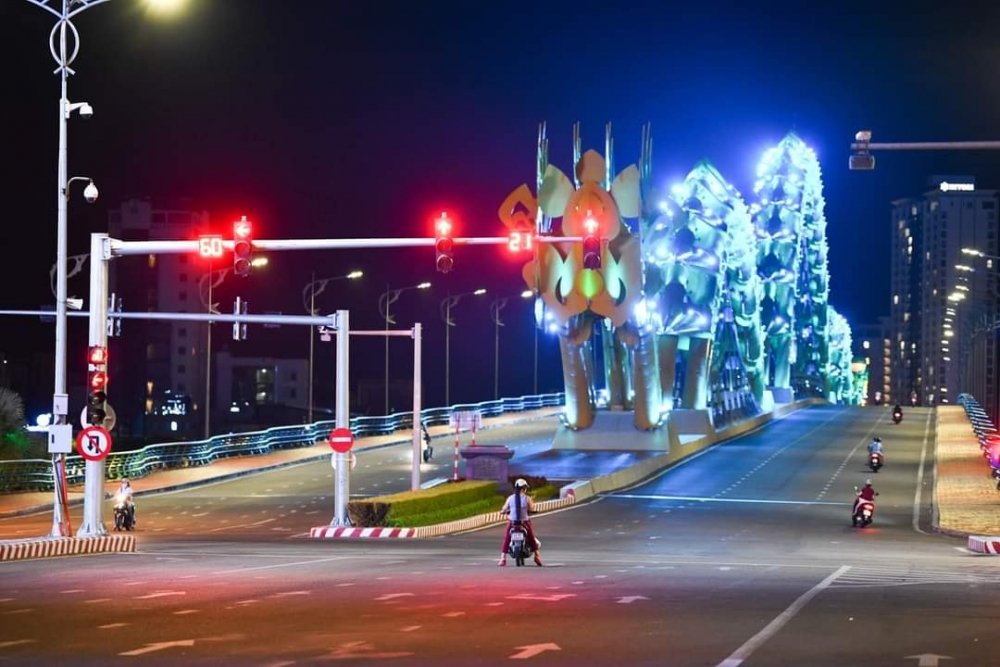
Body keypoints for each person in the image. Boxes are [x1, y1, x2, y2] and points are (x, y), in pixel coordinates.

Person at [499, 478, 542, 567]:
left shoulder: (510, 498)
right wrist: (530, 511)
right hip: (524, 521)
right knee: (531, 537)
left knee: (507, 538)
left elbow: (504, 508)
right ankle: (537, 556)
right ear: (524, 488)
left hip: (512, 522)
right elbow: (531, 509)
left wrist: (503, 512)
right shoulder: (527, 498)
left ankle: (503, 558)